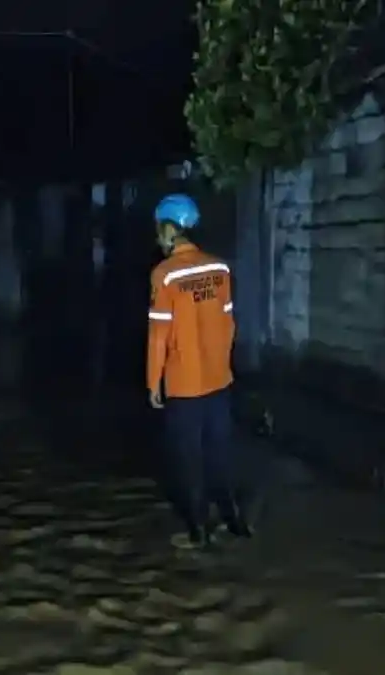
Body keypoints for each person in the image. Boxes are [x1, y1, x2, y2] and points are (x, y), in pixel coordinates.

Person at [146, 193, 250, 547]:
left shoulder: (165, 275)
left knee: (189, 459)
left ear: (170, 228)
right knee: (219, 451)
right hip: (219, 379)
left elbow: (159, 335)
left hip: (184, 385)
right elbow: (229, 325)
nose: (157, 237)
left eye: (159, 229)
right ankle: (234, 520)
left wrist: (153, 382)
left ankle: (198, 531)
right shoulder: (219, 269)